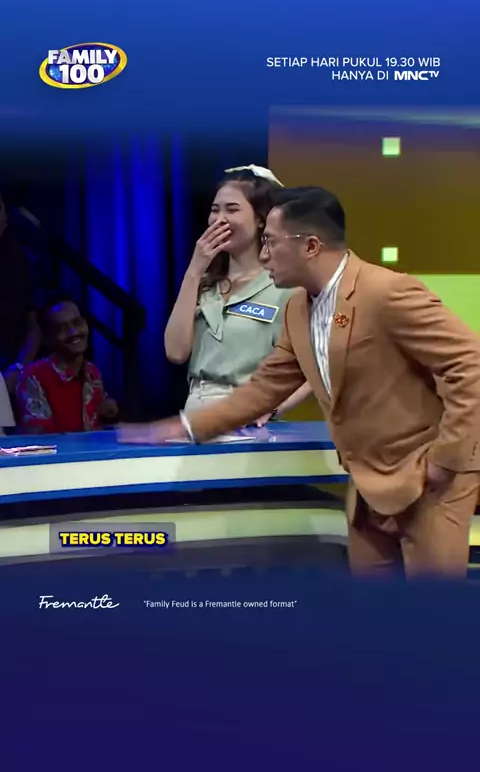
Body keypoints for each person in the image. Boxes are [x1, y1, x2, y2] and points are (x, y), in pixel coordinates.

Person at [119, 186, 480, 578]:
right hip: (367, 487)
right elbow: (264, 389)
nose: (262, 255)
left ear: (310, 246)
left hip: (428, 483)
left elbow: (470, 365)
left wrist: (447, 459)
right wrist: (183, 427)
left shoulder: (386, 292)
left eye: (271, 242)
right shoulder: (297, 308)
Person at [164, 165, 311, 420]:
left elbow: (317, 367)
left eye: (232, 210)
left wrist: (274, 408)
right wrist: (195, 270)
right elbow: (175, 352)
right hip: (196, 415)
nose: (220, 219)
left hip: (248, 418)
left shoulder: (286, 288)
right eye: (215, 210)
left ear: (261, 219)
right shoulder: (203, 283)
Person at [16, 298, 118, 434]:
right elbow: (39, 436)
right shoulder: (34, 376)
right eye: (62, 329)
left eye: (77, 323)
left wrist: (107, 410)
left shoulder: (93, 372)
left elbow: (97, 421)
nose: (74, 332)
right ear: (48, 338)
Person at [0, 195, 42, 394]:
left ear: (6, 216)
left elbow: (35, 328)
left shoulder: (21, 264)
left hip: (11, 365)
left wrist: (17, 369)